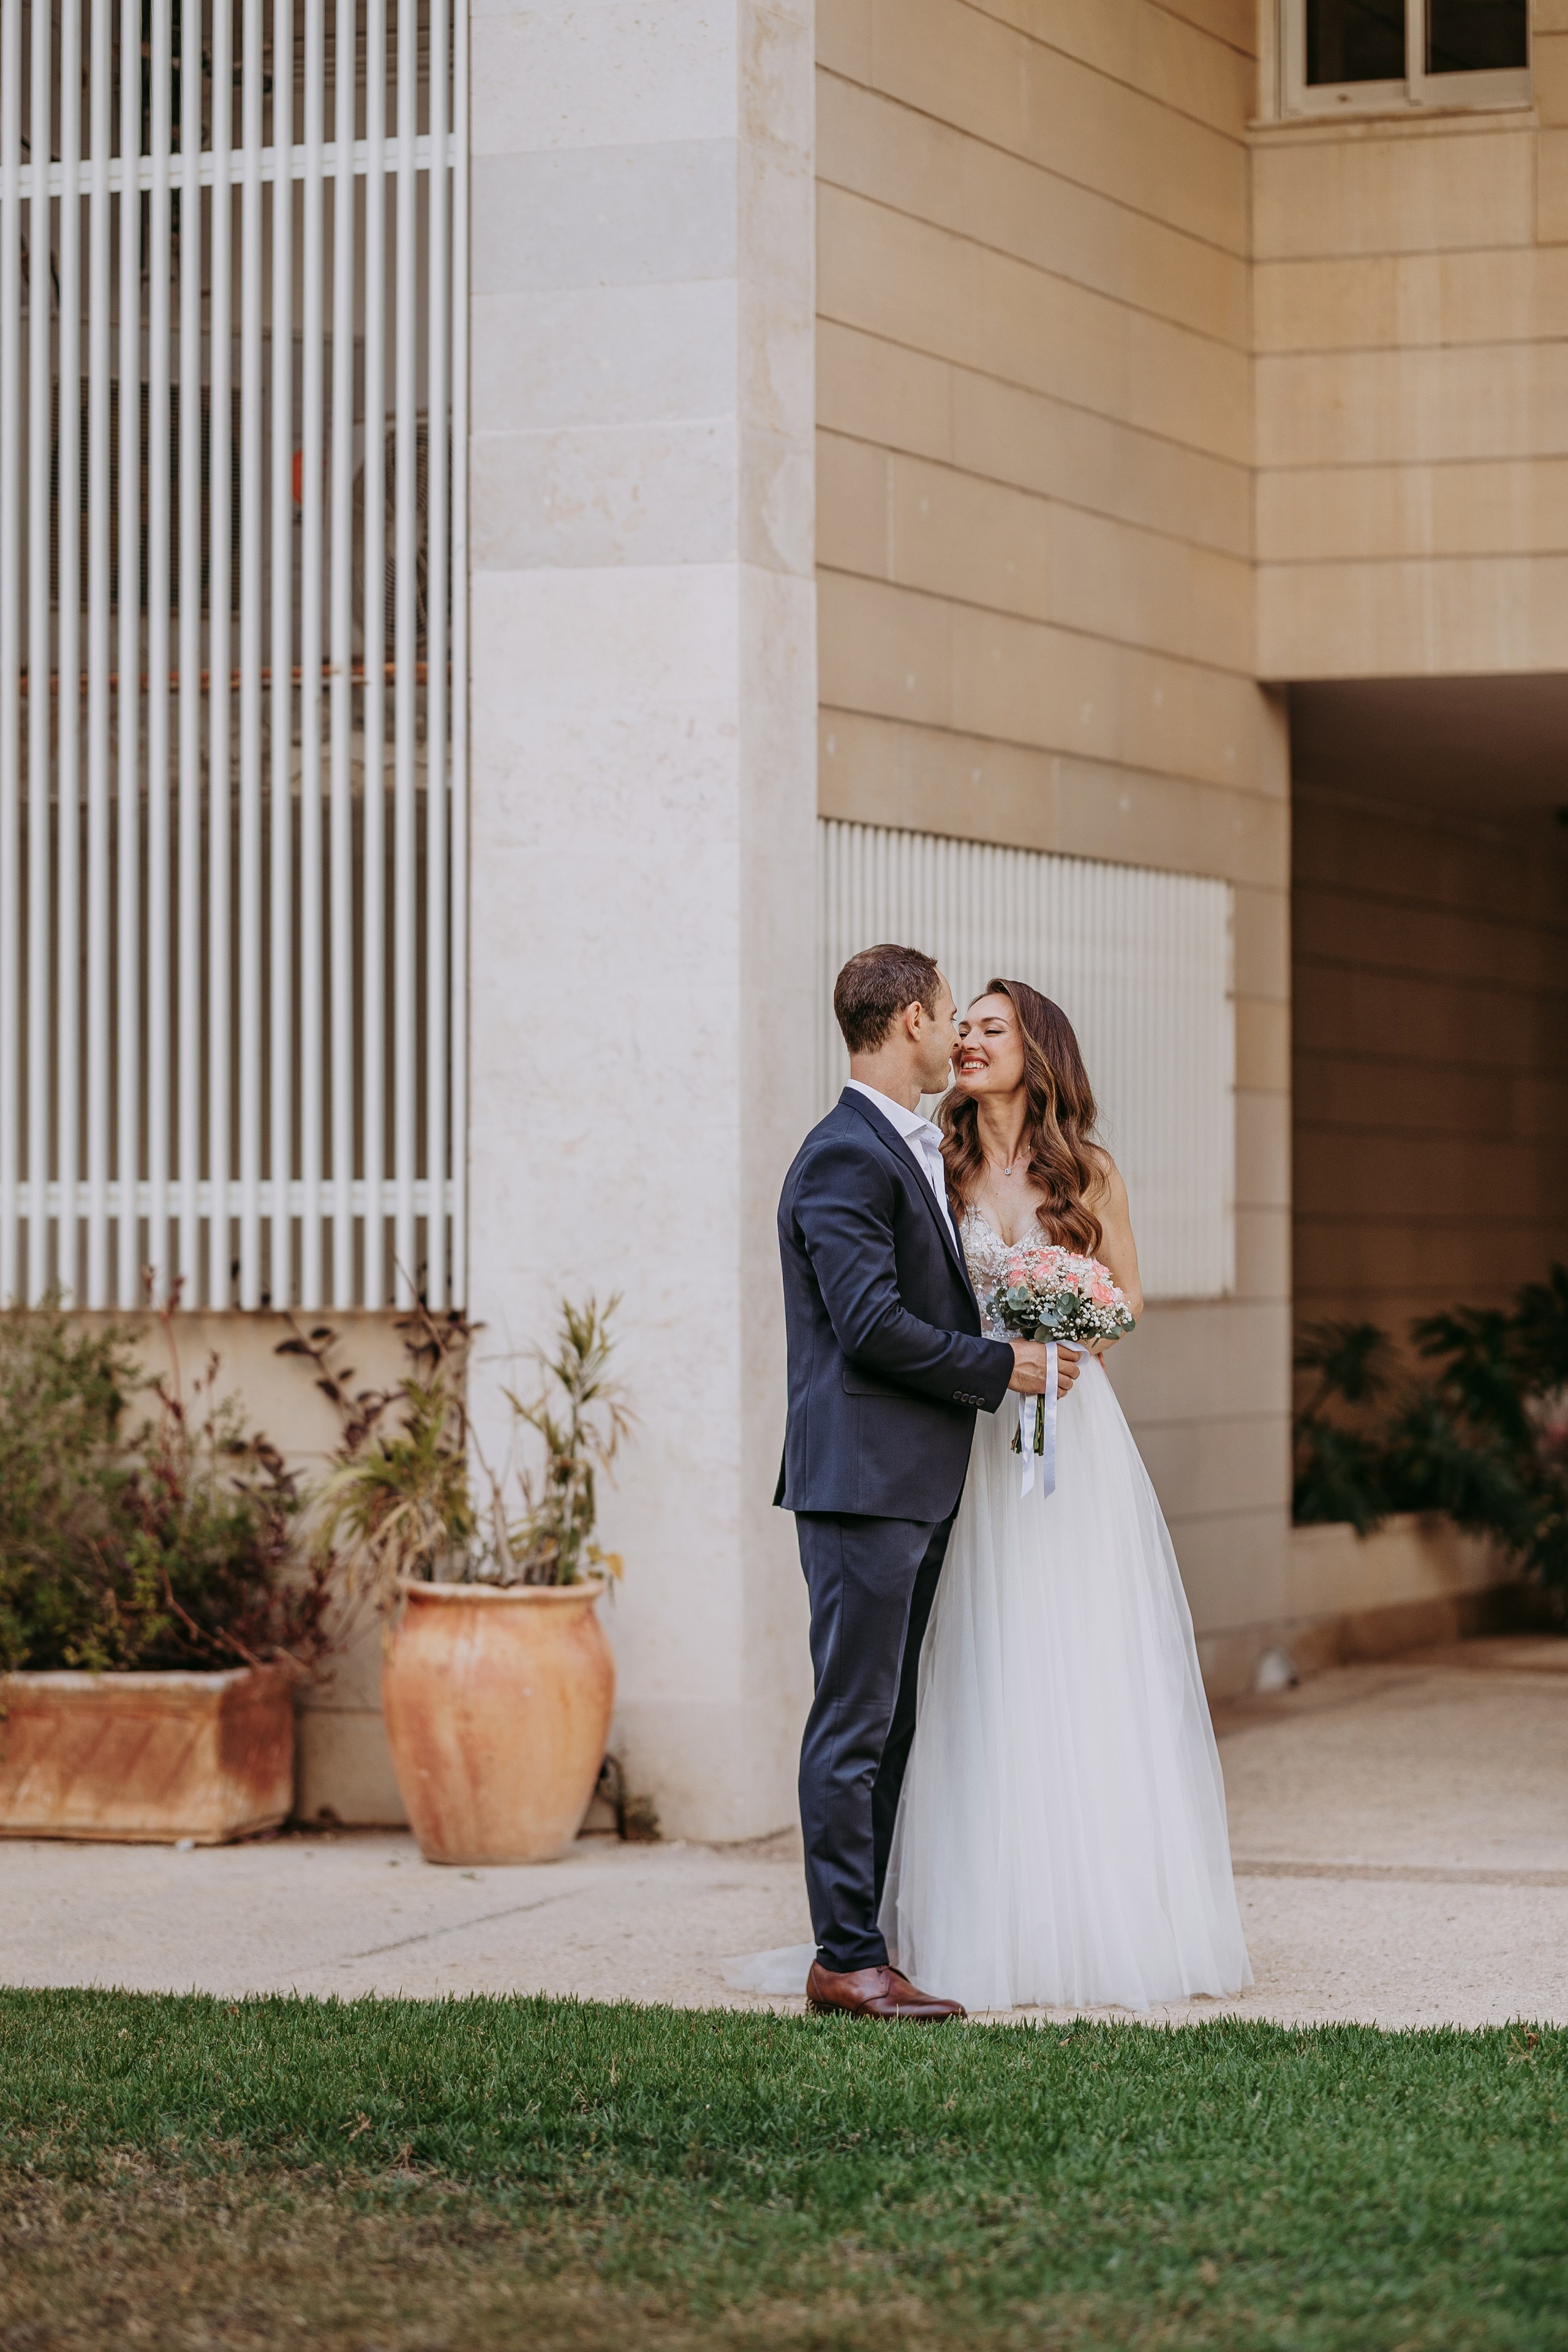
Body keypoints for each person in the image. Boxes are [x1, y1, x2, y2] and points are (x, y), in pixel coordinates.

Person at [879, 976, 1252, 2012]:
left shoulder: (1090, 1172)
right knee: (986, 1656)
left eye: (992, 1029)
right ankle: (985, 1921)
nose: (969, 1042)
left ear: (1037, 1050)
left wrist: (1067, 1323)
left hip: (1074, 1438)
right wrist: (1002, 1352)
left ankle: (1106, 1916)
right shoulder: (936, 1167)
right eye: (966, 1027)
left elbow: (1125, 1298)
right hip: (978, 1428)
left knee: (1080, 1653)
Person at [770, 944, 1082, 2022]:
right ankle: (845, 1960)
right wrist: (1008, 1368)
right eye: (949, 1015)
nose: (959, 1034)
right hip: (863, 1482)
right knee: (854, 1723)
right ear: (908, 1020)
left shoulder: (904, 1146)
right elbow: (867, 1326)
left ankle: (872, 1942)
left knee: (892, 1722)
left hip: (912, 1481)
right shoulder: (842, 1157)